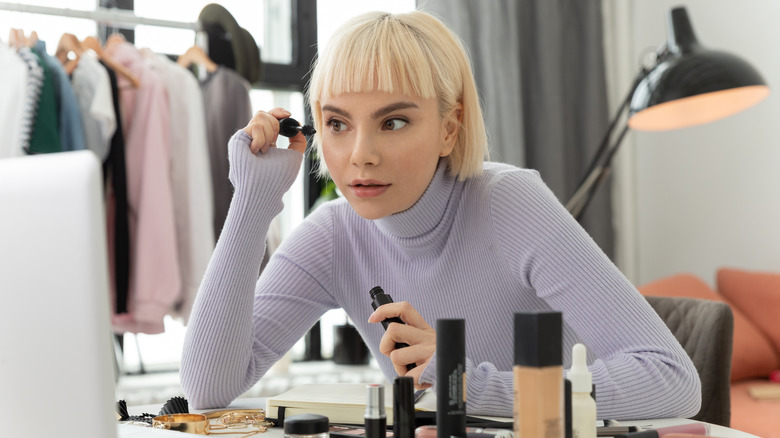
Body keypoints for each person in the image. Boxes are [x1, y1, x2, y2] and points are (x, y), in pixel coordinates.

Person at [180, 10, 701, 420]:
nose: (361, 153)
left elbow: (673, 379)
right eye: (337, 123)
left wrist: (469, 384)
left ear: (449, 128)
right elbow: (206, 388)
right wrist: (252, 201)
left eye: (395, 121)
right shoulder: (333, 236)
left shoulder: (511, 204)